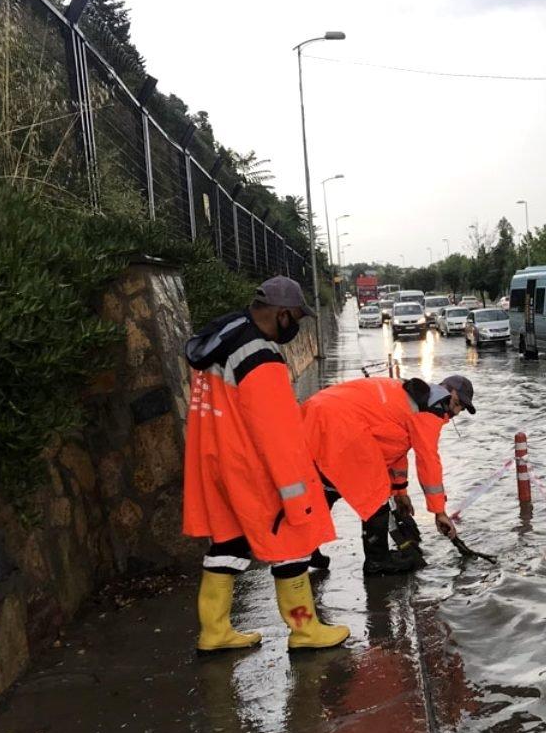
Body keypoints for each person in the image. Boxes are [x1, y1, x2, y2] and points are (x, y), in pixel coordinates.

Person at [182, 276, 349, 654]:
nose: (298, 326)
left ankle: (215, 630)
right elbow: (278, 433)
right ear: (283, 314)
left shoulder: (226, 339)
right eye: (298, 319)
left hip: (215, 460)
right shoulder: (260, 357)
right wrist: (297, 495)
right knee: (292, 541)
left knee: (228, 542)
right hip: (250, 465)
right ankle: (305, 630)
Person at [301, 374, 475, 575]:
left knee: (327, 487)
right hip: (341, 426)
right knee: (375, 493)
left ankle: (306, 547)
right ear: (449, 391)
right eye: (459, 403)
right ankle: (378, 560)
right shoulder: (432, 408)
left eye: (462, 408)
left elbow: (394, 447)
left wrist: (400, 491)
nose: (458, 410)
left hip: (318, 413)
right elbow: (428, 461)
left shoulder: (412, 395)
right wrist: (439, 511)